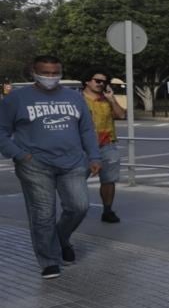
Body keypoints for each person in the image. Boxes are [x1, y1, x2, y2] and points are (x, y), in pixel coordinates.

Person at [0, 55, 101, 278]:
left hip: (73, 162)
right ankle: (49, 260)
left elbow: (86, 129)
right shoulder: (16, 99)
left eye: (55, 72)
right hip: (35, 164)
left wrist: (94, 156)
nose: (51, 77)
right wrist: (18, 155)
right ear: (33, 73)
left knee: (79, 206)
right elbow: (2, 132)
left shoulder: (74, 97)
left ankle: (61, 238)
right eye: (45, 73)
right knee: (43, 214)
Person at [82, 69, 126, 223]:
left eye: (104, 81)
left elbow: (121, 115)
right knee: (77, 179)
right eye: (97, 80)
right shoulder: (77, 100)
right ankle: (76, 207)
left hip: (107, 145)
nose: (101, 84)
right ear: (87, 81)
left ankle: (107, 210)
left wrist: (112, 99)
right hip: (83, 147)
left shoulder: (106, 99)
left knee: (108, 180)